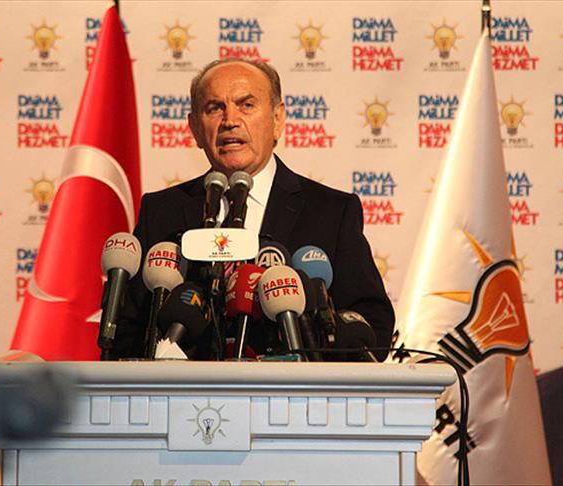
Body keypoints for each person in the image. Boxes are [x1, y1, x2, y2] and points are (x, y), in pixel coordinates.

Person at [114, 59, 394, 360]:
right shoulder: (161, 211)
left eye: (246, 105)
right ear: (195, 128)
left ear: (277, 119)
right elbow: (125, 329)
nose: (230, 120)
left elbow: (373, 325)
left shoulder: (331, 212)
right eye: (214, 108)